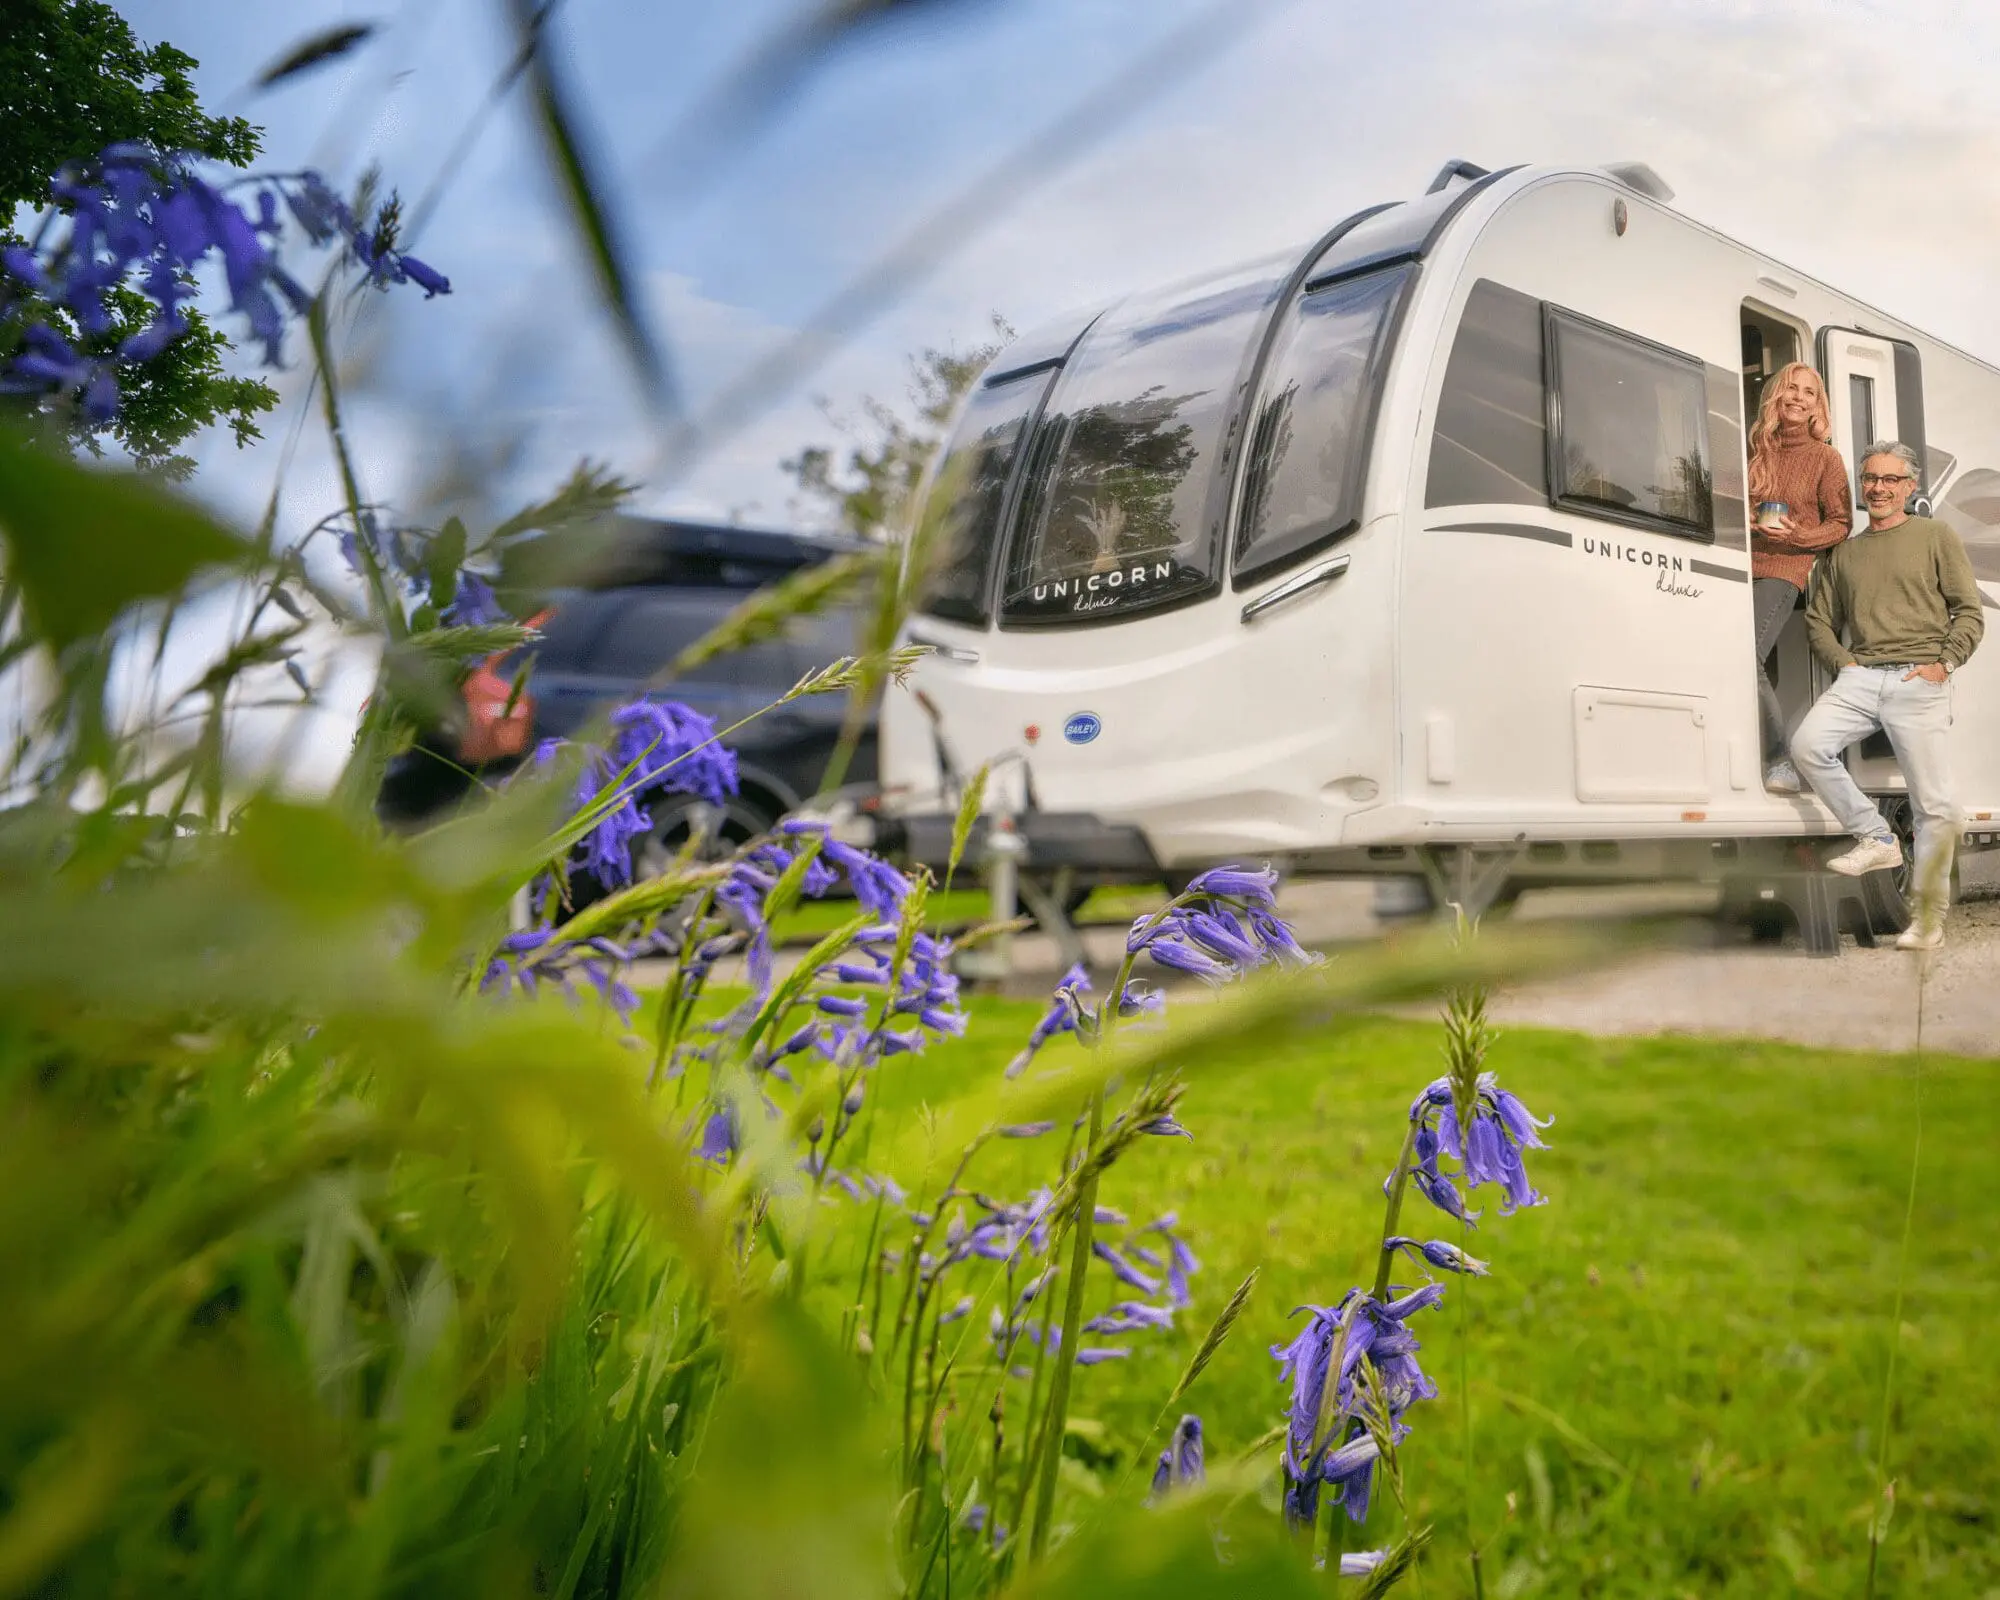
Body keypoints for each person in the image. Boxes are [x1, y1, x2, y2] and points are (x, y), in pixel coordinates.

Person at [1790, 440, 1984, 949]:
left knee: (1934, 805)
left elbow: (1969, 610)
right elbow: (1819, 619)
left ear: (1909, 486)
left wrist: (1943, 664)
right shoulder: (1845, 552)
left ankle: (1928, 920)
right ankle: (1876, 837)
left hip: (1917, 680)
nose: (1878, 488)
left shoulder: (1936, 535)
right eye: (1871, 479)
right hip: (1861, 677)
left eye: (1890, 480)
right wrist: (1844, 664)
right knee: (1808, 747)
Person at [1746, 362, 1851, 792]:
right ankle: (1752, 756)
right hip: (1739, 562)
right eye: (1792, 387)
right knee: (1758, 669)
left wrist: (1801, 535)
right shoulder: (1756, 449)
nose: (1798, 397)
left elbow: (1841, 522)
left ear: (1817, 406)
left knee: (1743, 654)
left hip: (1785, 567)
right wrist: (1753, 522)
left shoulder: (1825, 457)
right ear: (1776, 394)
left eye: (1810, 392)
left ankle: (1779, 761)